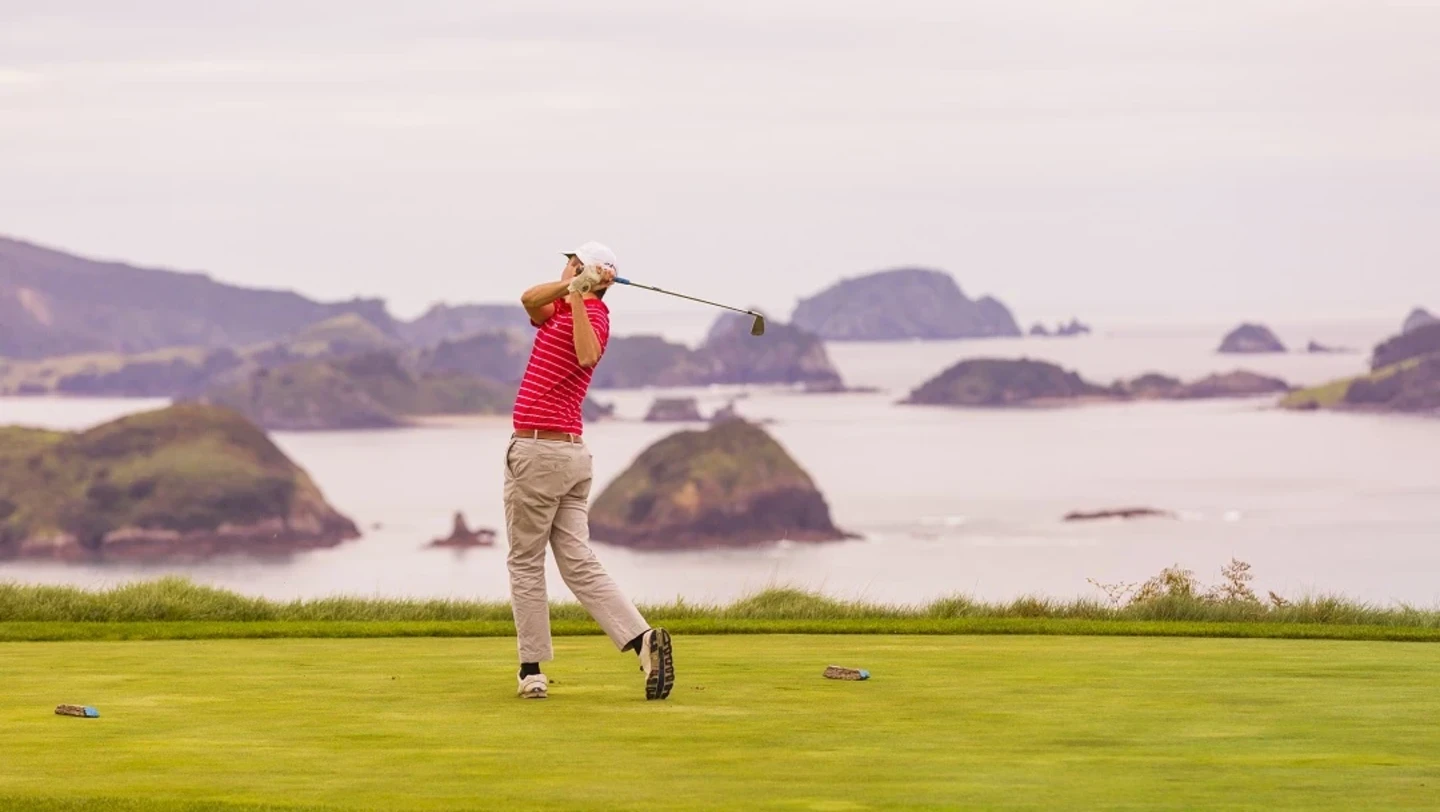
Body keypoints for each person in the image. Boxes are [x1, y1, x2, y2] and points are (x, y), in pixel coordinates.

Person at [504, 241, 674, 701]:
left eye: (570, 264)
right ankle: (643, 641)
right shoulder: (555, 305)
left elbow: (585, 355)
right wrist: (574, 286)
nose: (563, 270)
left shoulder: (594, 315)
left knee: (525, 562)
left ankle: (531, 672)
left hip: (539, 451)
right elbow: (528, 299)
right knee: (578, 562)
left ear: (581, 268)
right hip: (569, 459)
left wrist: (580, 295)